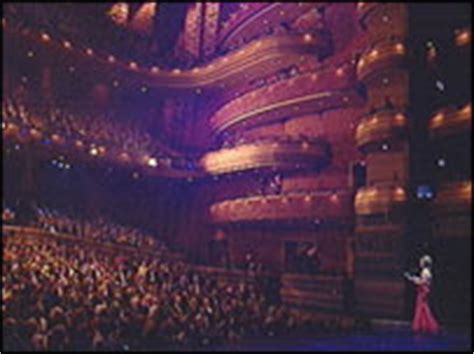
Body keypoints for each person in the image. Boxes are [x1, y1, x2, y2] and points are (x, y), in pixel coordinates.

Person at [404, 255, 440, 335]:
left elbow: (422, 282)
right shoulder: (427, 271)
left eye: (421, 261)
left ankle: (426, 326)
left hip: (423, 291)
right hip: (424, 290)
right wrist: (415, 279)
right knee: (423, 308)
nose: (420, 263)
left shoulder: (425, 271)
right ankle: (424, 325)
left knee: (422, 308)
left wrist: (412, 279)